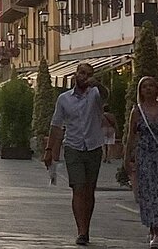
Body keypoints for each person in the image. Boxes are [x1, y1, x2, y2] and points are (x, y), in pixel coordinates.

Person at [43, 63, 109, 246]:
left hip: (94, 147)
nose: (84, 77)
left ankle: (86, 226)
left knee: (89, 191)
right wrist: (49, 150)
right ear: (75, 74)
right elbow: (56, 125)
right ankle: (81, 231)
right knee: (78, 189)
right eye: (82, 73)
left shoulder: (96, 95)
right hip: (73, 147)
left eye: (88, 74)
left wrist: (98, 84)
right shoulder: (63, 99)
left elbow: (105, 95)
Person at [124, 76, 158, 249]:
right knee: (150, 193)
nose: (148, 89)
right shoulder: (137, 111)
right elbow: (131, 136)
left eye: (151, 86)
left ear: (157, 90)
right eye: (144, 87)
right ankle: (156, 231)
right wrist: (127, 158)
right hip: (145, 156)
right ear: (140, 91)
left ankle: (153, 225)